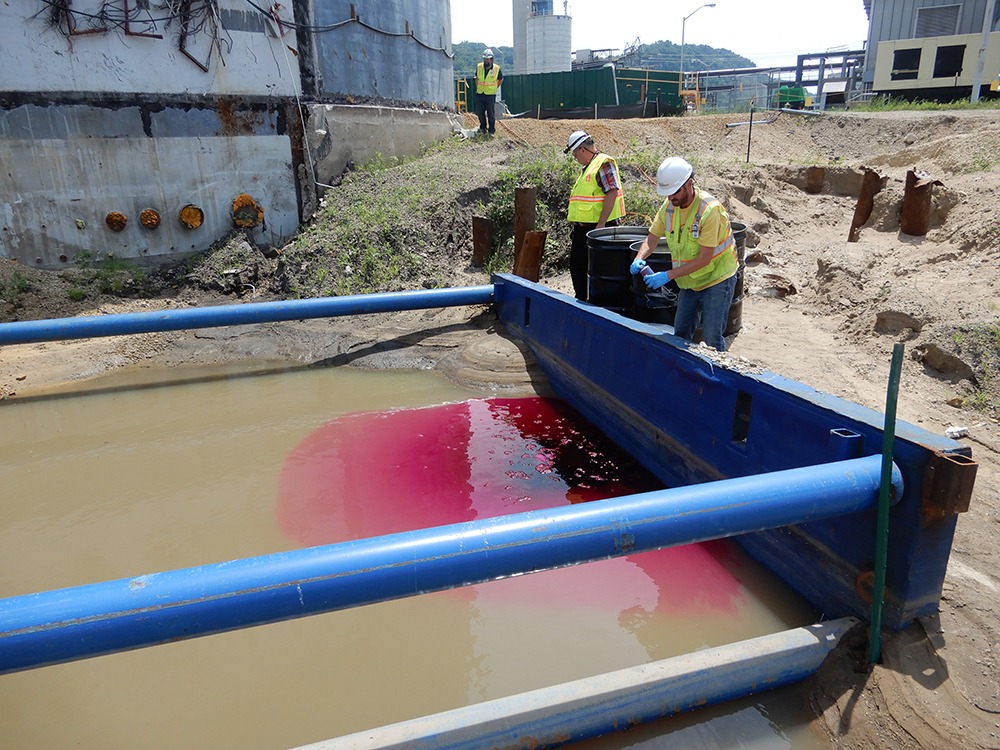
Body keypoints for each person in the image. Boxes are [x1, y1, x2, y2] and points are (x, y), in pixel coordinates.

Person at [630, 156, 737, 351]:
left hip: (716, 278)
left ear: (689, 184)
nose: (671, 198)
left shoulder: (709, 211)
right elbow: (652, 238)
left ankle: (718, 378)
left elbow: (705, 259)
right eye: (668, 194)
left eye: (675, 192)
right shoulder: (670, 206)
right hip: (689, 280)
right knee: (680, 335)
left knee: (712, 338)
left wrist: (667, 275)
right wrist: (639, 258)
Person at [565, 130, 625, 301]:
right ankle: (583, 301)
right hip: (584, 228)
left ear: (582, 150)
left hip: (599, 228)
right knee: (578, 267)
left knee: (601, 269)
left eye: (575, 154)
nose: (575, 158)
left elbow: (612, 192)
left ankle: (599, 304)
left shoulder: (603, 163)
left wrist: (601, 225)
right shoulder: (589, 167)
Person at [475, 49, 503, 135]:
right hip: (480, 93)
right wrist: (478, 87)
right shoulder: (479, 66)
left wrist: (495, 87)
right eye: (485, 59)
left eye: (488, 59)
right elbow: (476, 78)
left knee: (491, 113)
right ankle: (483, 128)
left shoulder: (496, 68)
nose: (486, 60)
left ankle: (491, 131)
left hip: (490, 94)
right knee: (480, 112)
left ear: (491, 59)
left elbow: (500, 79)